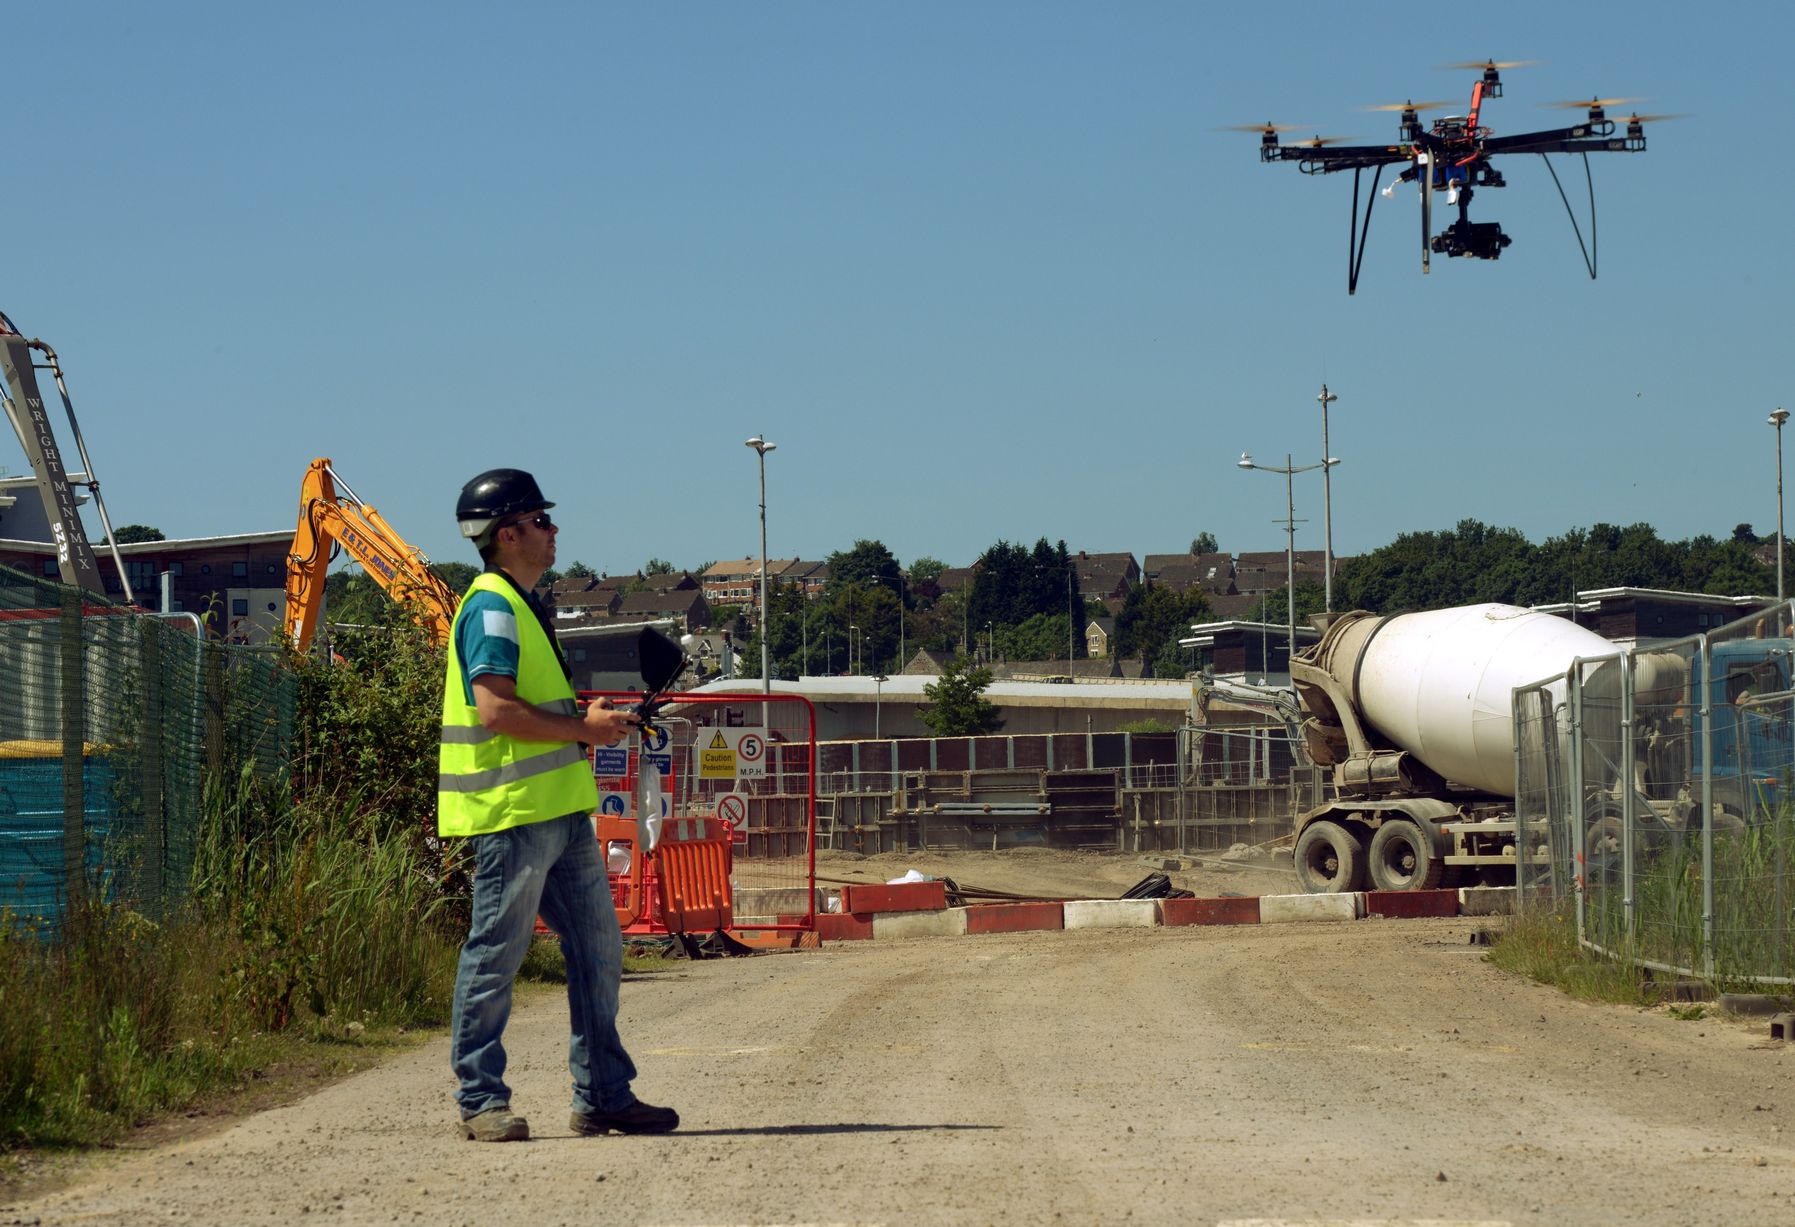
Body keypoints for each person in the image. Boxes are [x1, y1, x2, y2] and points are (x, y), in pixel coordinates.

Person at [439, 468, 679, 1142]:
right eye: (542, 521)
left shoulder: (518, 603)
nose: (554, 531)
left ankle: (603, 1095)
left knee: (600, 952)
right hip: (512, 813)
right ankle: (480, 1099)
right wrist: (584, 729)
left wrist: (587, 716)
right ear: (506, 533)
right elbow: (494, 709)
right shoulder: (491, 605)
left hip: (557, 813)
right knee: (495, 954)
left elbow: (526, 705)